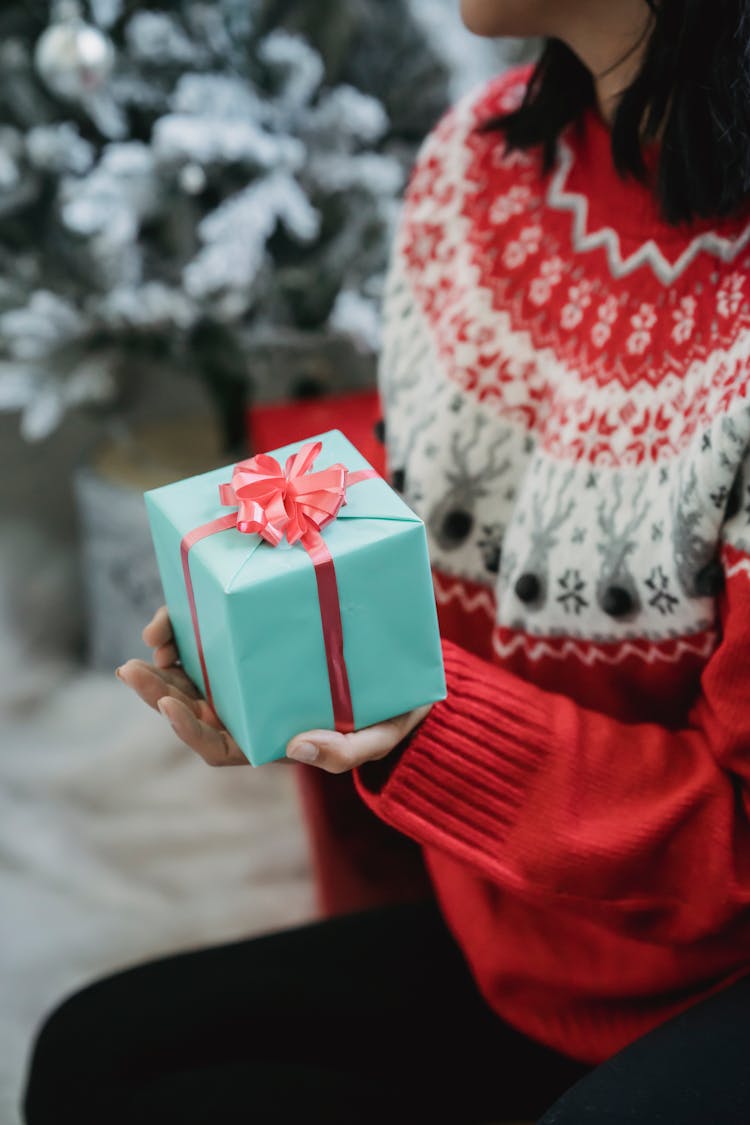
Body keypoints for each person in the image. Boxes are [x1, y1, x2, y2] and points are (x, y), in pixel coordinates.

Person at [22, 0, 750, 1121]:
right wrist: (288, 658)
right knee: (101, 1056)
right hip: (526, 940)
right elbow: (414, 554)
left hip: (715, 977)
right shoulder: (480, 165)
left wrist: (425, 720)